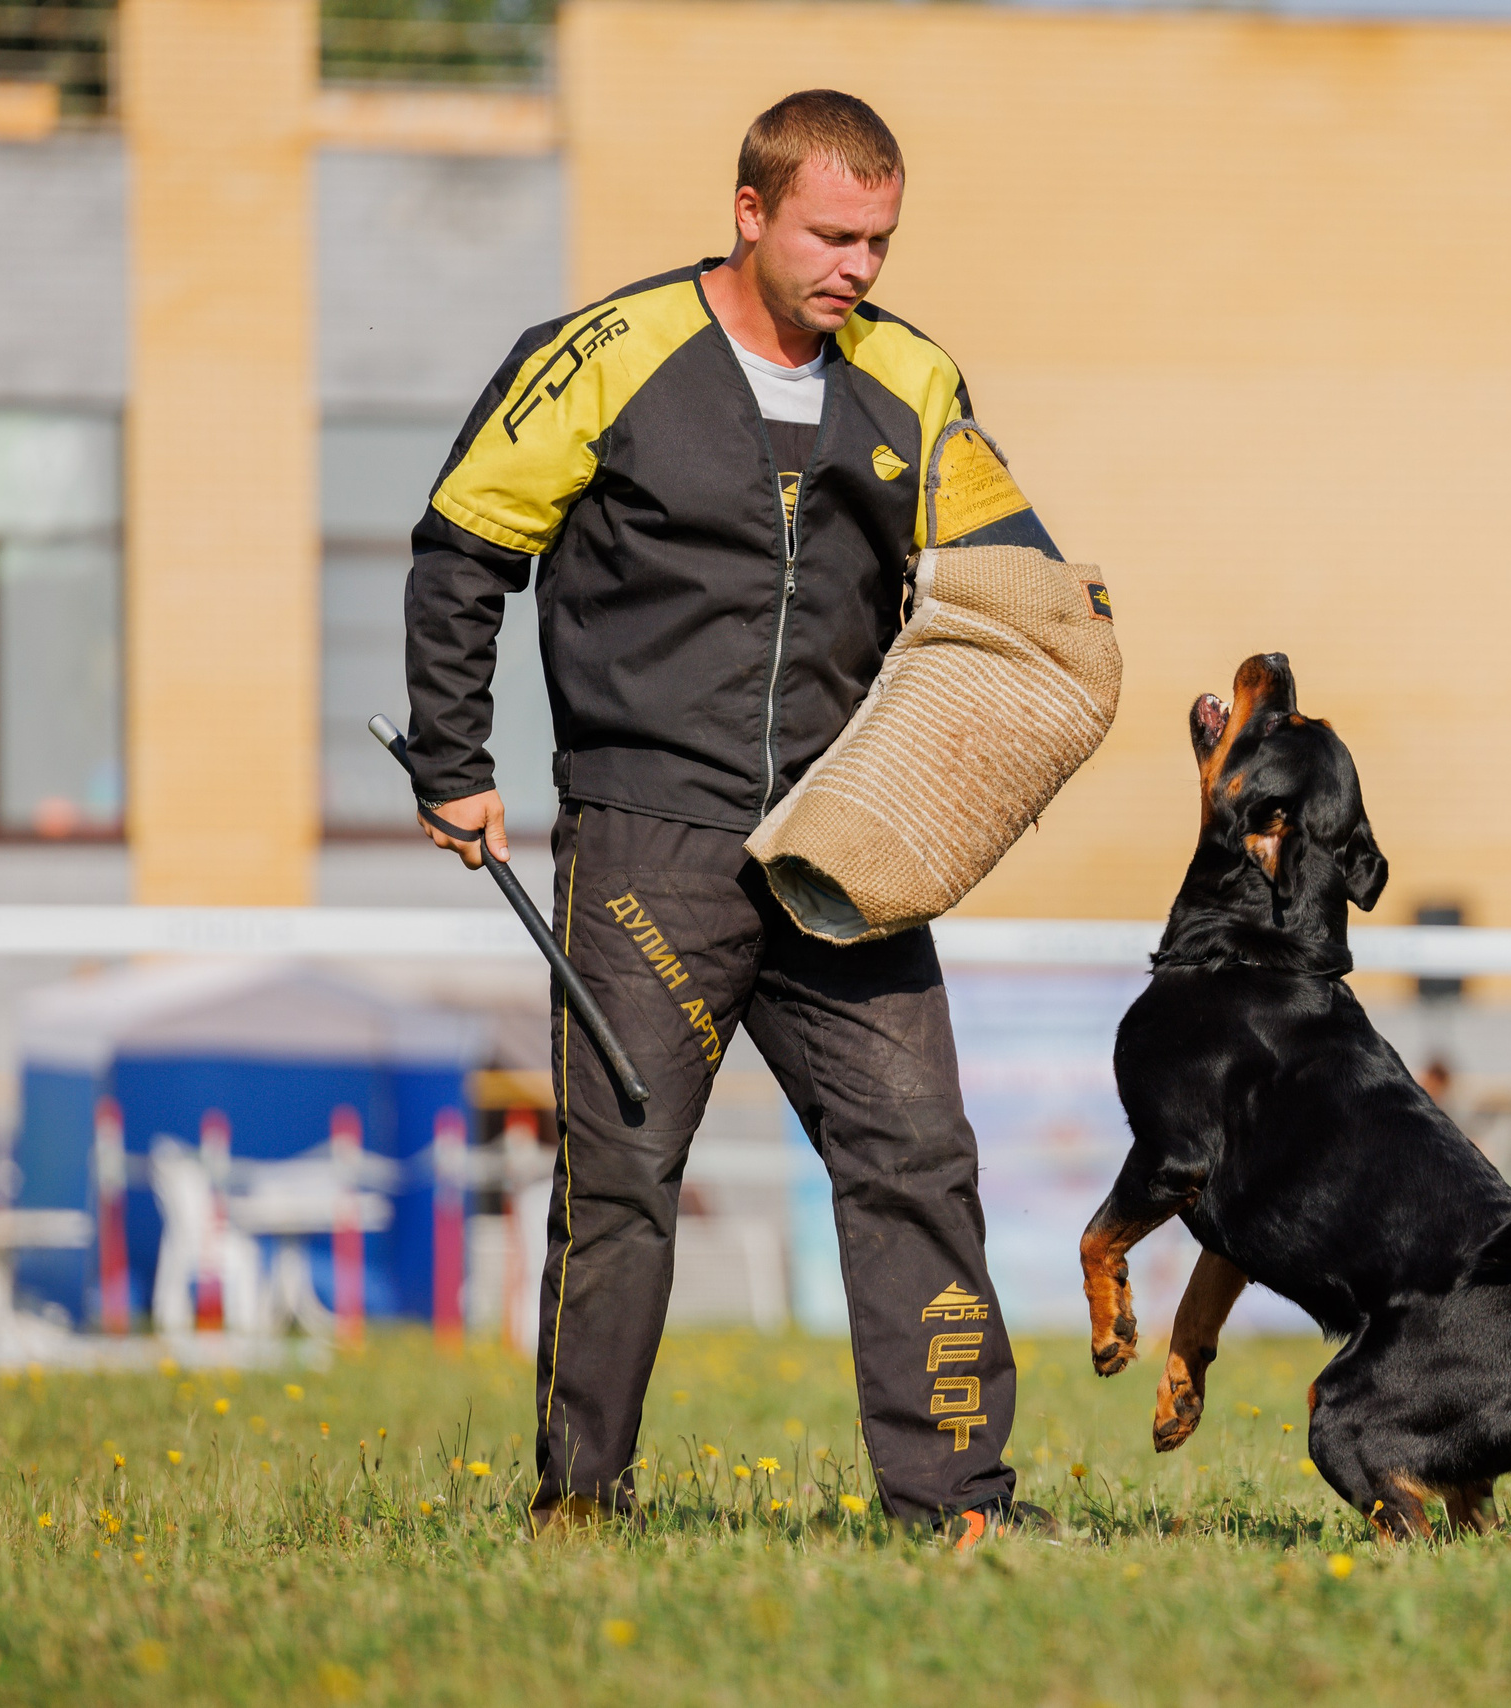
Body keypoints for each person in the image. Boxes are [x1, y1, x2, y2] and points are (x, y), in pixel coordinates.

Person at [402, 90, 1056, 1543]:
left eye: (881, 240)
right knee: (624, 1178)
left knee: (921, 1162)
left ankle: (959, 1510)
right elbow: (462, 550)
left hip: (849, 847)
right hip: (650, 836)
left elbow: (1009, 575)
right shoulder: (605, 356)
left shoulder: (914, 378)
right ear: (751, 212)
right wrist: (451, 757)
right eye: (834, 234)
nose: (860, 268)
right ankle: (581, 1506)